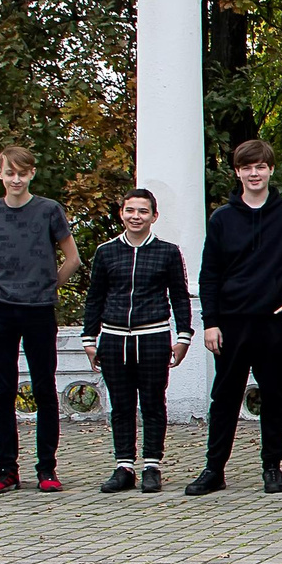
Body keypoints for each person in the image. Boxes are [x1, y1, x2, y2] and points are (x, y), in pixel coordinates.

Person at [192, 139, 282, 495]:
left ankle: (272, 467)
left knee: (275, 396)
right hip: (231, 322)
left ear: (270, 169)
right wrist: (210, 321)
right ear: (237, 172)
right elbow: (209, 274)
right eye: (247, 167)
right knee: (225, 397)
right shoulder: (222, 218)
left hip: (276, 322)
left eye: (260, 166)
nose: (254, 173)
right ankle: (214, 469)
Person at [0, 145, 83, 493]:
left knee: (44, 387)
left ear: (32, 173)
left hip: (39, 309)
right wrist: (4, 289)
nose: (16, 179)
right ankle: (7, 470)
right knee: (2, 391)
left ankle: (47, 469)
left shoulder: (49, 210)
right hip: (2, 310)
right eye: (9, 172)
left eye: (22, 173)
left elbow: (72, 258)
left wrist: (46, 288)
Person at [77, 188, 190, 494]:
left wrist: (183, 336)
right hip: (114, 339)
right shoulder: (106, 252)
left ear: (154, 216)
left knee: (153, 403)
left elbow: (180, 297)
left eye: (142, 211)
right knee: (121, 405)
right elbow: (94, 298)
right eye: (130, 210)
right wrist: (89, 338)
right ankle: (123, 466)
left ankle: (152, 465)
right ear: (121, 213)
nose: (135, 217)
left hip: (153, 336)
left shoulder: (168, 252)